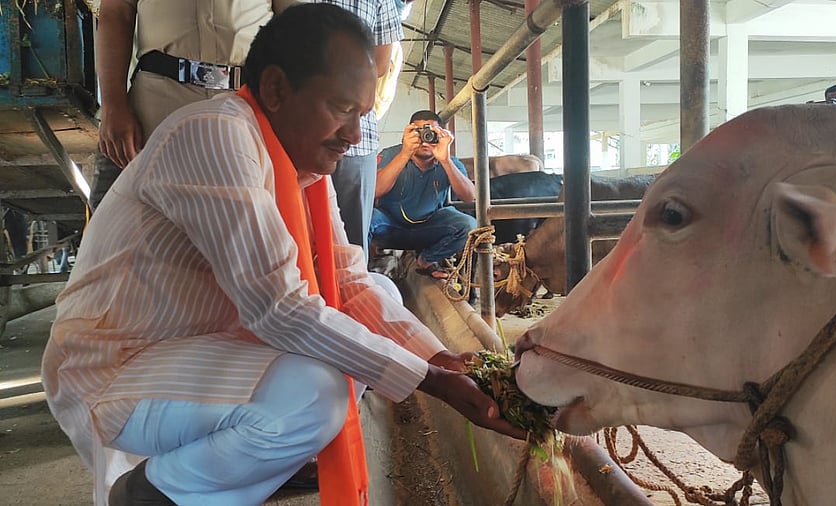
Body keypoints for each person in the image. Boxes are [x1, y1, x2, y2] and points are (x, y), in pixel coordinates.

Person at [41, 6, 525, 506]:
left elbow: (348, 280)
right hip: (119, 365)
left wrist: (440, 358)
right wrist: (433, 381)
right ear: (275, 89)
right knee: (315, 395)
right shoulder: (215, 135)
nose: (354, 134)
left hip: (200, 346)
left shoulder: (302, 169)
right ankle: (154, 493)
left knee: (378, 291)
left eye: (361, 114)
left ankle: (256, 463)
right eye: (341, 108)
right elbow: (279, 309)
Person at [91, 0, 301, 209]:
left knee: (242, 219)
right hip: (152, 114)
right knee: (117, 217)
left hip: (244, 114)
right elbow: (117, 12)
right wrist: (112, 105)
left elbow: (298, 24)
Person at [314, 0, 404, 256]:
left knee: (352, 240)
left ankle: (350, 283)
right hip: (305, 130)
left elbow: (381, 63)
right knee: (299, 228)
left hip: (355, 139)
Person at [370, 111, 477, 279]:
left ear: (441, 134)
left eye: (431, 133)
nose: (425, 139)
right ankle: (362, 267)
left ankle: (427, 260)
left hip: (430, 226)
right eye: (418, 132)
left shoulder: (449, 160)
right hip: (389, 226)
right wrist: (405, 154)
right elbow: (375, 190)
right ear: (407, 133)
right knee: (366, 218)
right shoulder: (390, 155)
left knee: (468, 225)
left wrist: (445, 160)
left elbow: (469, 197)